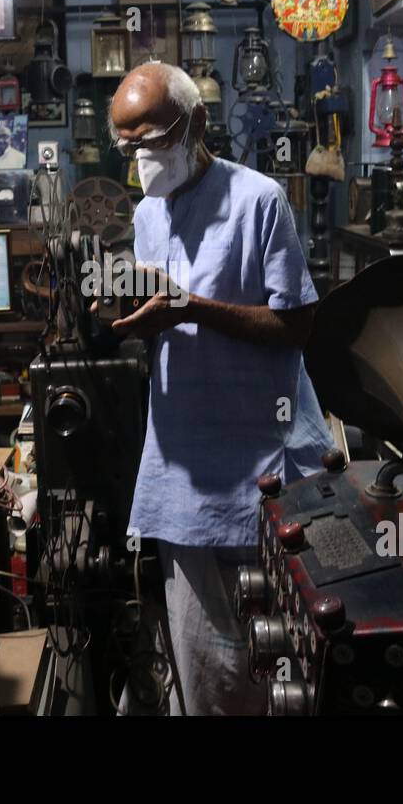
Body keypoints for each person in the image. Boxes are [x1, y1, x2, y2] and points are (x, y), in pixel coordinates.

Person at [108, 62, 334, 716]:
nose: (141, 159)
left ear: (197, 123)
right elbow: (167, 322)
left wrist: (190, 308)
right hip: (183, 469)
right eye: (128, 148)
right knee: (203, 668)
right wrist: (125, 314)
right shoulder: (148, 213)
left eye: (151, 141)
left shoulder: (258, 201)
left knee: (270, 660)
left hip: (258, 461)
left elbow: (298, 325)